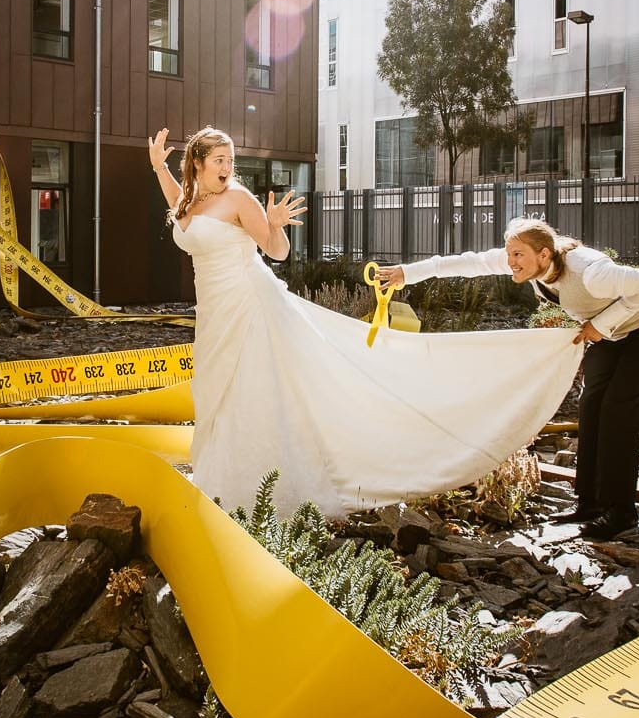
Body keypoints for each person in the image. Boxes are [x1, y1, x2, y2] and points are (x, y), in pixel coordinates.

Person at [149, 126, 584, 520]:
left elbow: (276, 252)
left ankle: (257, 490)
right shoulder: (192, 198)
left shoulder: (239, 198)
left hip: (248, 303)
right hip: (214, 312)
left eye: (230, 159)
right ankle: (221, 478)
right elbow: (181, 212)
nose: (227, 167)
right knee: (215, 387)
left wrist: (277, 225)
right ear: (198, 164)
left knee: (254, 389)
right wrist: (158, 167)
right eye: (219, 160)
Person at [378, 218, 639, 541]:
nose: (511, 262)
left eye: (518, 255)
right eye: (509, 254)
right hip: (609, 335)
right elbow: (471, 262)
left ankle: (622, 512)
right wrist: (406, 273)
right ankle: (590, 504)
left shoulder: (592, 272)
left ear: (544, 254)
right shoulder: (529, 260)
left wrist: (602, 324)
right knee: (591, 407)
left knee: (617, 411)